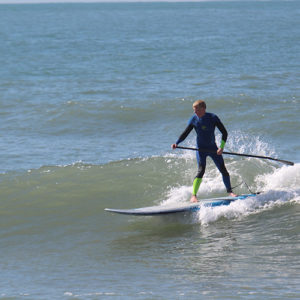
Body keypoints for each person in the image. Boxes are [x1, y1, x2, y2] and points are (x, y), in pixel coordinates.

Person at [171, 100, 237, 202]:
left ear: (203, 108)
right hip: (201, 149)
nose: (194, 112)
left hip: (213, 149)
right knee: (201, 171)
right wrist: (177, 143)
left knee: (223, 170)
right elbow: (185, 133)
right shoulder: (194, 119)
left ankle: (230, 192)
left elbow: (224, 132)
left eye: (196, 109)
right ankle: (193, 196)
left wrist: (221, 147)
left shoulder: (212, 117)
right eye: (194, 110)